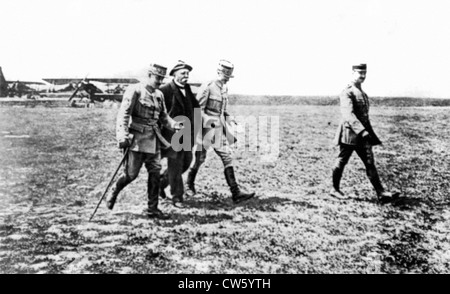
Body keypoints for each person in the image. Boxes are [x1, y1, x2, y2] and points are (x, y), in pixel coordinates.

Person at [105, 63, 183, 219]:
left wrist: (174, 124)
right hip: (137, 141)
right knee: (131, 175)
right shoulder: (135, 90)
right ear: (149, 75)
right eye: (157, 77)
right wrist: (122, 136)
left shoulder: (159, 95)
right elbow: (124, 115)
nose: (160, 81)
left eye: (162, 78)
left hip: (154, 140)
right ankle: (115, 189)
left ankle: (152, 208)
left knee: (155, 172)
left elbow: (163, 117)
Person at [185, 60, 255, 204]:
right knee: (200, 158)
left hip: (218, 128)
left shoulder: (224, 89)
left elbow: (222, 110)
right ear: (218, 72)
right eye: (224, 75)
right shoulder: (208, 86)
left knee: (225, 156)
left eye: (228, 76)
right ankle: (188, 186)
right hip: (205, 129)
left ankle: (236, 193)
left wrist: (230, 119)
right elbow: (198, 110)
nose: (226, 78)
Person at [331, 63, 399, 203]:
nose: (362, 76)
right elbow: (348, 114)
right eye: (359, 73)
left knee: (369, 163)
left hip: (363, 136)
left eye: (364, 73)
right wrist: (361, 131)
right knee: (342, 161)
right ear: (352, 73)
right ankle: (334, 189)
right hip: (350, 135)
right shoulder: (347, 92)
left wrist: (366, 132)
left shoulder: (362, 93)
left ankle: (381, 193)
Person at [159, 60, 200, 208]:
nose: (186, 76)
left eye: (188, 73)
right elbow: (159, 113)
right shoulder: (165, 90)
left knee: (186, 162)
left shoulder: (187, 89)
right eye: (183, 73)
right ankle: (177, 197)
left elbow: (196, 108)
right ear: (174, 74)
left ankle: (160, 183)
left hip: (187, 134)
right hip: (172, 135)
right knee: (175, 165)